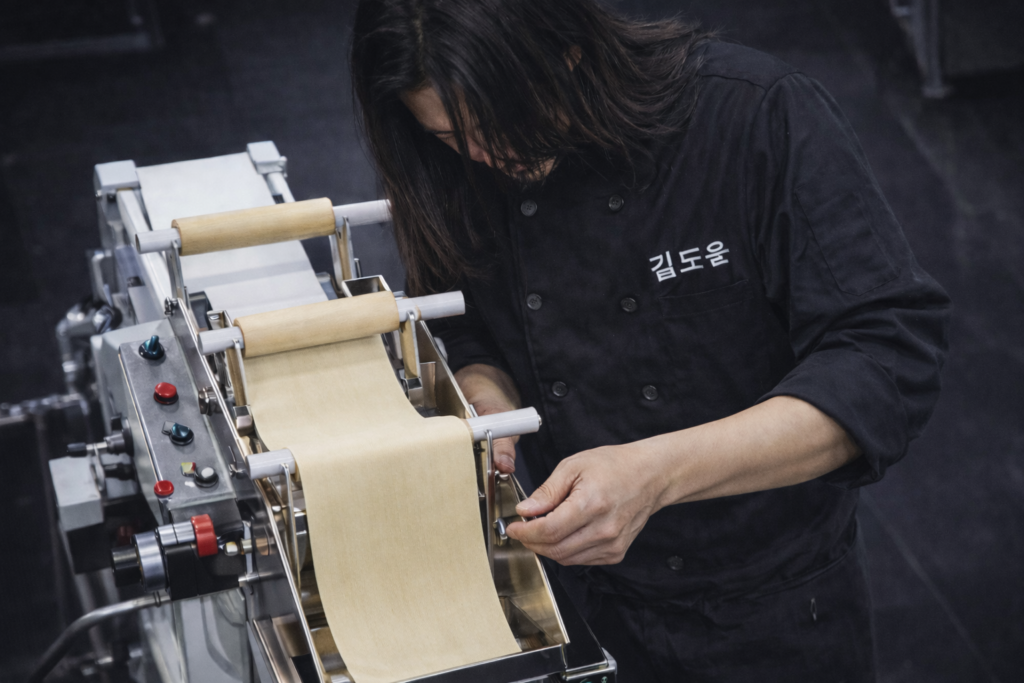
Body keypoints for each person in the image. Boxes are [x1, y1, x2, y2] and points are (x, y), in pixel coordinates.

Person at [350, 0, 951, 680]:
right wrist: (487, 391)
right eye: (451, 137)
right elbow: (460, 319)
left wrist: (657, 475)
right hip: (580, 592)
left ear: (569, 49)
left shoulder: (754, 115)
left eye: (497, 124)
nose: (485, 155)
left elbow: (886, 358)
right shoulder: (452, 165)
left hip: (773, 608)